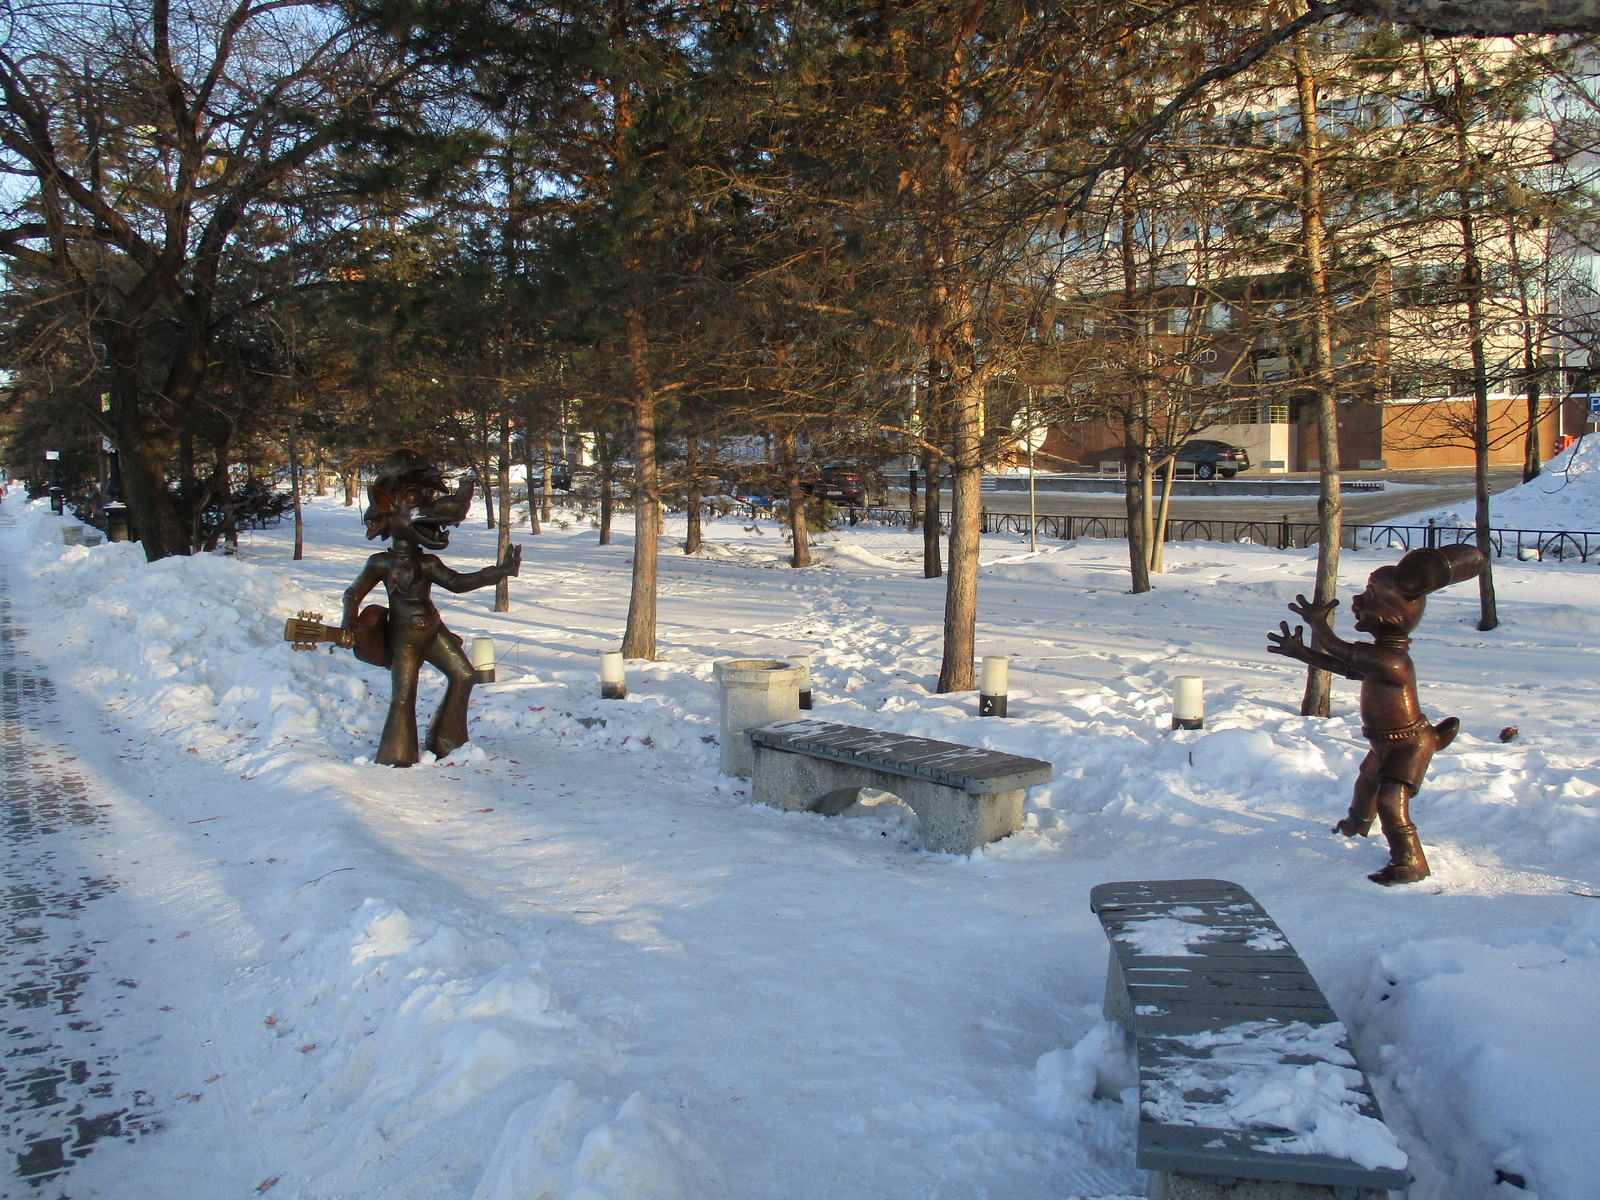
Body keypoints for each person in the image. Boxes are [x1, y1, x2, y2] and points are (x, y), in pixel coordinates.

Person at [1267, 544, 1486, 885]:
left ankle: (1410, 861)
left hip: (1409, 744)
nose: (1358, 600)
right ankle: (1356, 824)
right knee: (1366, 781)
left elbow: (1340, 650)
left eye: (1369, 595)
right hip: (1388, 742)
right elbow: (1343, 666)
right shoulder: (1380, 660)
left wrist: (1317, 623)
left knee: (1389, 800)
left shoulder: (1392, 662)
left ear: (1394, 614)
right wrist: (1301, 653)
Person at [342, 451, 520, 767]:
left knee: (464, 675)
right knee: (402, 697)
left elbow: (457, 583)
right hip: (403, 637)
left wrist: (499, 571)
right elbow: (353, 593)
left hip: (432, 629)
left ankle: (446, 740)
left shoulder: (427, 562)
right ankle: (396, 754)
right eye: (414, 504)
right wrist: (348, 623)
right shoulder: (380, 563)